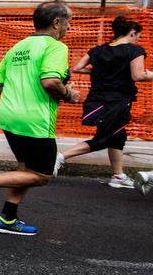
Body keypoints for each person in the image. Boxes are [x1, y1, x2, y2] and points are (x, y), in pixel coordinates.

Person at [0, 0, 79, 237]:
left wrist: (18, 99)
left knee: (25, 168)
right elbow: (50, 81)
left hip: (9, 116)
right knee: (42, 175)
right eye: (69, 22)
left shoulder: (18, 47)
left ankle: (7, 218)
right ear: (56, 22)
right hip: (35, 120)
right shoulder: (55, 47)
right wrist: (69, 94)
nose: (69, 28)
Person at [57, 16, 153, 189]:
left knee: (118, 135)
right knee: (105, 138)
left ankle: (118, 176)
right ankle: (60, 157)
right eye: (137, 35)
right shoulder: (134, 50)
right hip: (118, 100)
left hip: (97, 98)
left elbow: (77, 68)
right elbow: (138, 75)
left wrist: (99, 72)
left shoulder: (98, 50)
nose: (138, 39)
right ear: (132, 33)